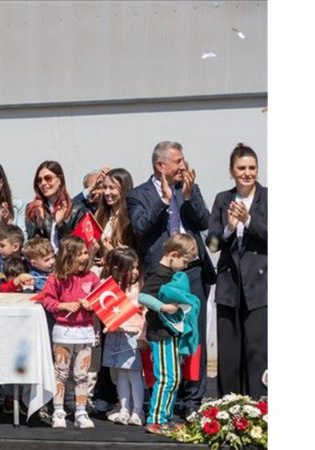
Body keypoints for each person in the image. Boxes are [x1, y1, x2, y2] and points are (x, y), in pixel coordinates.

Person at [127, 140, 214, 416]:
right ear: (160, 165)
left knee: (193, 335)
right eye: (177, 161)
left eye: (183, 160)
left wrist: (188, 197)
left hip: (192, 273)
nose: (183, 165)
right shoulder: (138, 195)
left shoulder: (188, 188)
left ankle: (192, 400)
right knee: (164, 336)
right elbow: (140, 229)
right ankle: (163, 398)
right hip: (161, 277)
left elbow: (203, 223)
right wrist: (164, 200)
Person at [206, 143, 267, 398]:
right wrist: (229, 227)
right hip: (229, 287)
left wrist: (248, 221)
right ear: (232, 171)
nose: (247, 173)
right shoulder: (223, 199)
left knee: (257, 352)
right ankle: (230, 409)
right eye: (241, 168)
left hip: (259, 287)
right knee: (229, 354)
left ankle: (261, 408)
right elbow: (212, 244)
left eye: (252, 167)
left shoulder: (270, 198)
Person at [137, 234, 199, 435]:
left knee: (174, 377)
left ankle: (165, 416)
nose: (186, 266)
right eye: (184, 261)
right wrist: (163, 307)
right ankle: (155, 419)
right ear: (173, 255)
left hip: (169, 333)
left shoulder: (168, 272)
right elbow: (144, 296)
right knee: (166, 377)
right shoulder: (160, 273)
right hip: (161, 334)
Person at [41, 236, 99, 429]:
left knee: (82, 374)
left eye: (85, 253)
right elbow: (47, 301)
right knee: (61, 373)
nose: (84, 257)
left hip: (85, 332)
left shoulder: (91, 277)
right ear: (68, 256)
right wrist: (63, 305)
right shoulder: (56, 278)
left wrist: (91, 305)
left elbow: (102, 300)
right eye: (79, 253)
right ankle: (58, 410)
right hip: (63, 332)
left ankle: (81, 411)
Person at [100, 247, 146, 427]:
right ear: (117, 269)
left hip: (132, 334)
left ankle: (138, 410)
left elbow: (144, 311)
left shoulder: (140, 286)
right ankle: (124, 408)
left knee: (134, 374)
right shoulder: (109, 286)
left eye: (136, 268)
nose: (135, 272)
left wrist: (143, 336)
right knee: (119, 374)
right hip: (114, 334)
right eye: (130, 268)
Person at [25, 161, 87, 250]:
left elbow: (77, 246)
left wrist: (61, 225)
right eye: (39, 180)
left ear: (60, 180)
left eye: (48, 178)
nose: (43, 183)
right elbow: (32, 248)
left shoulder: (76, 209)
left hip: (67, 262)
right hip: (44, 262)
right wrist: (39, 224)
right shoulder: (33, 208)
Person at [94, 168, 135, 264]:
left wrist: (112, 252)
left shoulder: (131, 215)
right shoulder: (101, 214)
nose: (107, 192)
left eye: (112, 188)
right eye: (104, 187)